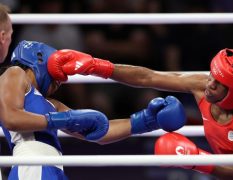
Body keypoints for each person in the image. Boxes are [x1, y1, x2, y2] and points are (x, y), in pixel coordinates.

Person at [47, 48, 233, 179]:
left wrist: (194, 159)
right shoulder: (202, 84)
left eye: (218, 83)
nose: (209, 84)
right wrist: (97, 67)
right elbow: (148, 77)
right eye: (212, 76)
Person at [0, 40, 186, 180]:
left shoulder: (52, 105)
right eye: (56, 74)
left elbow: (100, 132)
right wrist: (62, 120)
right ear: (39, 59)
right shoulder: (15, 74)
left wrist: (146, 120)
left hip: (53, 168)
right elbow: (11, 118)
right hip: (32, 165)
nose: (59, 82)